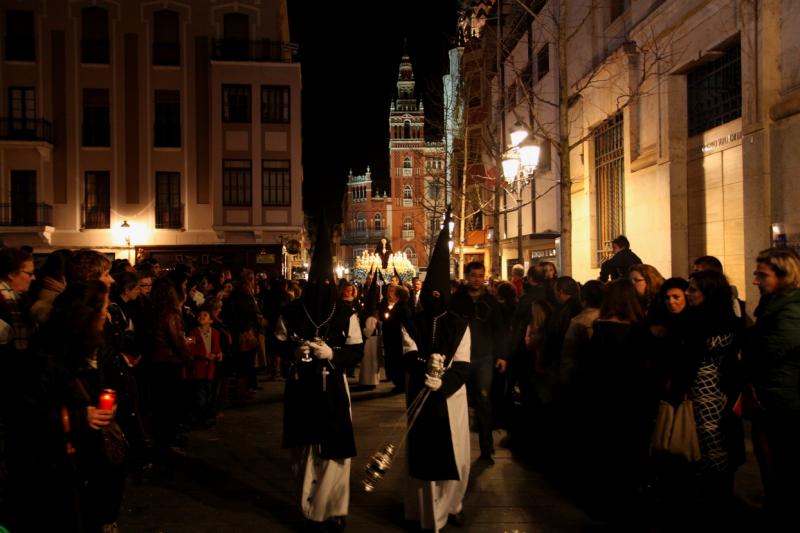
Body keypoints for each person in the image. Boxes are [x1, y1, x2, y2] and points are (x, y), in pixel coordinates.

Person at [275, 214, 364, 532]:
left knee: (335, 451)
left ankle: (335, 508)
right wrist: (293, 352)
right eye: (318, 284)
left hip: (334, 390)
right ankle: (309, 507)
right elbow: (279, 343)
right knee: (304, 451)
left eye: (328, 284)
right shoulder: (292, 312)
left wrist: (334, 355)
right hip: (301, 388)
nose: (323, 289)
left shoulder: (345, 312)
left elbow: (356, 348)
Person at [402, 215, 471, 531]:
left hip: (450, 398)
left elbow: (463, 363)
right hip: (419, 395)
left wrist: (443, 382)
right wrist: (423, 371)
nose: (434, 298)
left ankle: (452, 504)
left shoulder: (459, 324)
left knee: (453, 453)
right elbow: (409, 354)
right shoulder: (413, 322)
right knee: (423, 454)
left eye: (439, 293)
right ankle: (421, 510)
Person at [744, 247, 800, 526]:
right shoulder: (772, 305)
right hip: (771, 396)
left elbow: (767, 351)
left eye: (761, 275)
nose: (755, 281)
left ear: (784, 275)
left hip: (785, 401)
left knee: (784, 465)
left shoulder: (792, 310)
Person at [452, 261, 507, 463]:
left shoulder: (490, 301)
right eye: (473, 275)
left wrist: (502, 355)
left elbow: (500, 328)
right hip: (461, 358)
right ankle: (460, 449)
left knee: (483, 401)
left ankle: (486, 447)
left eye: (480, 275)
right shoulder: (457, 299)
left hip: (484, 357)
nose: (477, 279)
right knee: (460, 403)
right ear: (467, 276)